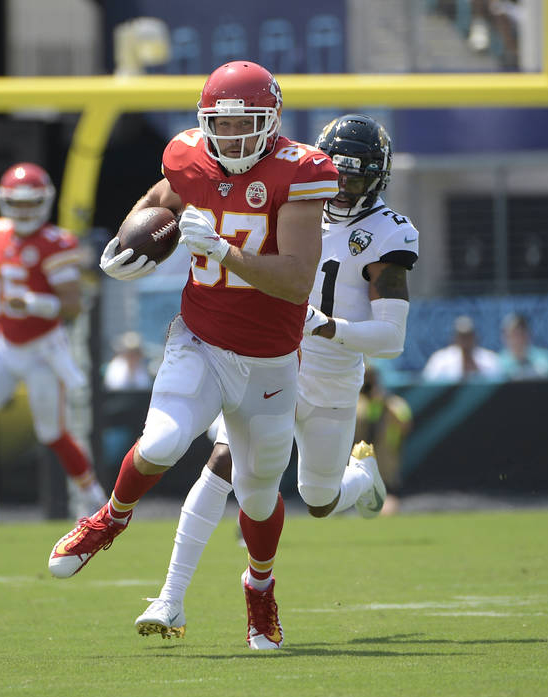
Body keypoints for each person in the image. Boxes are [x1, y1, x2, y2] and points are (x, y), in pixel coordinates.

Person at [47, 60, 339, 651]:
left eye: (244, 125)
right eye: (219, 125)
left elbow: (297, 280)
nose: (229, 138)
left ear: (272, 120)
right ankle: (111, 518)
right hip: (200, 340)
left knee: (258, 493)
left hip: (271, 361)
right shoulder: (187, 155)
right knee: (159, 442)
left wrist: (225, 253)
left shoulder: (301, 170)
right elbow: (158, 199)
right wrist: (130, 238)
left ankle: (260, 589)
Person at [134, 114, 418, 641]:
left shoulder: (385, 233)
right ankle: (169, 598)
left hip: (330, 379)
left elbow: (392, 339)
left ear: (377, 179)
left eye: (355, 179)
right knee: (221, 463)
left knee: (319, 499)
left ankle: (362, 478)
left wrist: (327, 327)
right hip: (265, 356)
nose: (342, 188)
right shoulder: (286, 194)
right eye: (337, 175)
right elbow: (172, 196)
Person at [0, 162, 105, 535]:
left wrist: (30, 303)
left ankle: (95, 502)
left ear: (45, 202)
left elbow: (73, 305)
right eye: (19, 203)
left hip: (42, 349)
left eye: (33, 203)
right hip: (4, 343)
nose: (26, 211)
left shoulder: (56, 243)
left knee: (52, 433)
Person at [422, 315, 502, 382]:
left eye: (468, 336)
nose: (465, 341)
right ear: (454, 338)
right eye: (461, 337)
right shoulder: (440, 360)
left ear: (475, 337)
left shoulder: (490, 359)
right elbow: (427, 385)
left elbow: (498, 384)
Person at [497, 312, 548, 379]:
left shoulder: (545, 358)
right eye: (510, 335)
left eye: (519, 334)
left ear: (527, 334)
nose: (515, 340)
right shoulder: (498, 363)